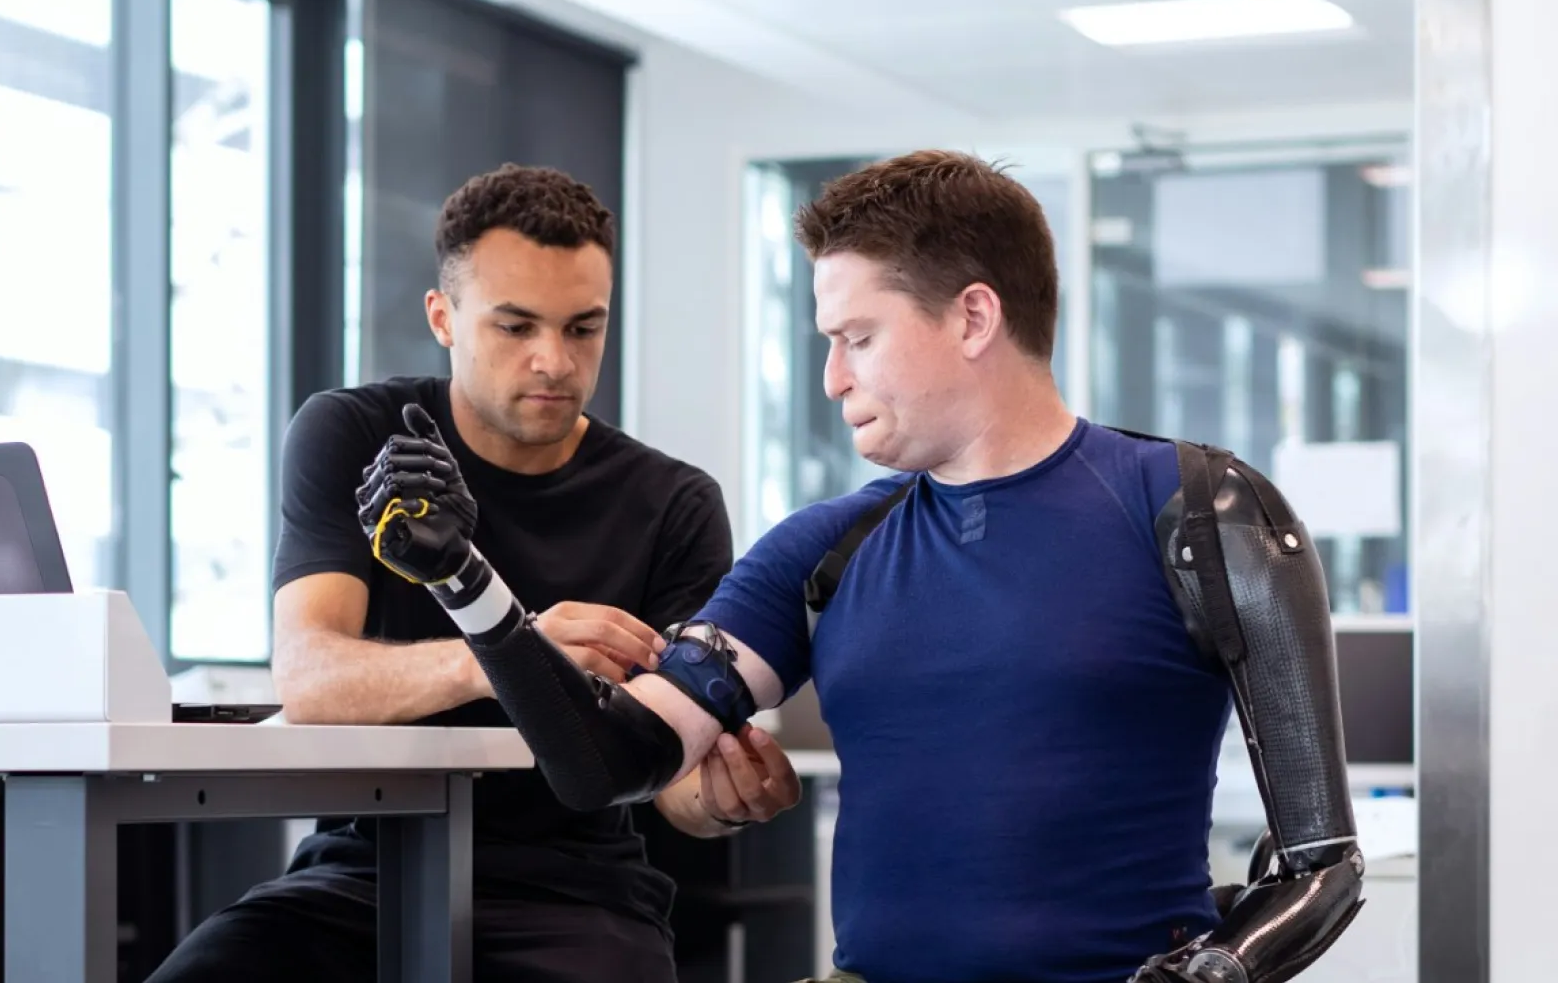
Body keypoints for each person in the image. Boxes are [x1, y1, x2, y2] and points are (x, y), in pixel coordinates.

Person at [361, 151, 1366, 983]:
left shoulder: (1197, 513)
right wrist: (467, 585)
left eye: (858, 338)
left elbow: (1322, 866)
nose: (833, 377)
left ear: (973, 320)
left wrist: (1221, 970)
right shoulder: (822, 551)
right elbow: (608, 765)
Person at [146, 163, 803, 983]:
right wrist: (509, 655)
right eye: (516, 326)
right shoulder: (358, 436)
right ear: (443, 317)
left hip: (578, 895)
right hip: (360, 875)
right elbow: (311, 677)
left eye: (583, 328)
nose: (554, 362)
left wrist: (721, 803)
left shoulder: (673, 502)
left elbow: (671, 784)